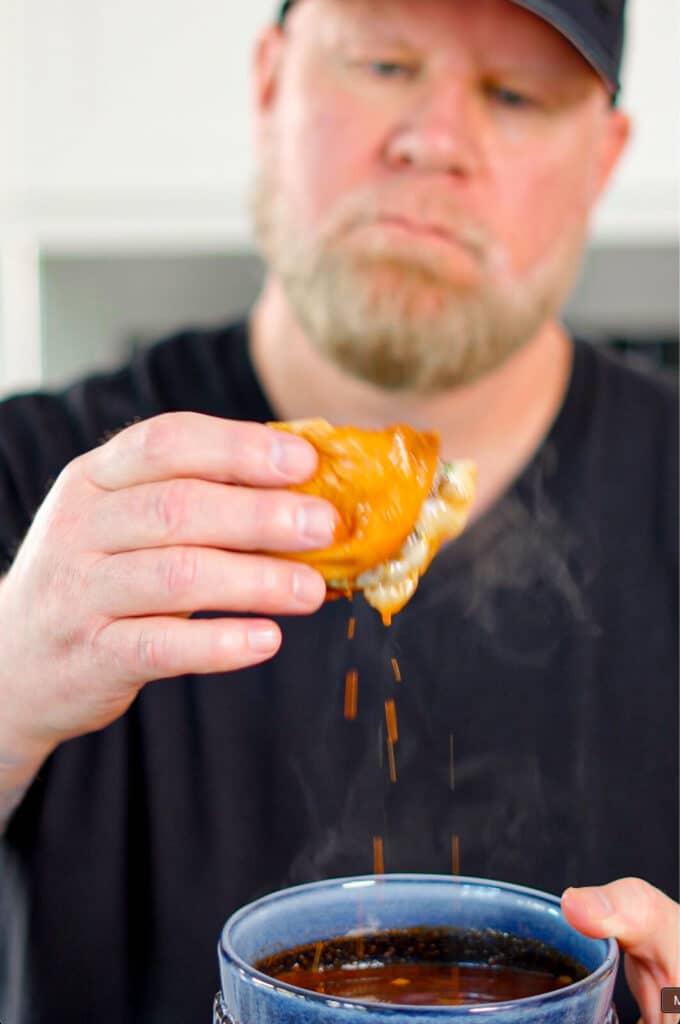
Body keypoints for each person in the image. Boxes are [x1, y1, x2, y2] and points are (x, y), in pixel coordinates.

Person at [0, 0, 677, 1020]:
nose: (432, 140)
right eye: (381, 63)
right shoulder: (37, 484)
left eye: (511, 94)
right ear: (269, 81)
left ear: (603, 157)